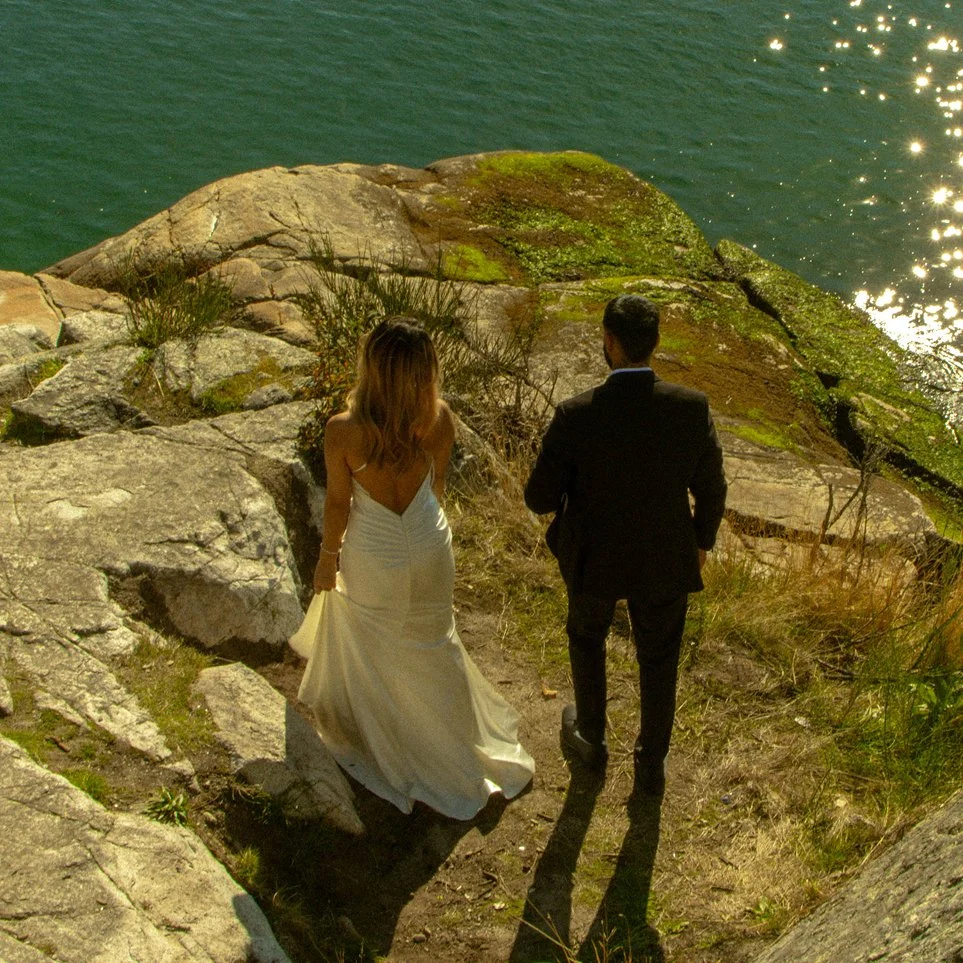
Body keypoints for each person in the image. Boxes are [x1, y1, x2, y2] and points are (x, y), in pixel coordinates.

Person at [293, 318, 535, 819]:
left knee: (378, 646)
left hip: (375, 551)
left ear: (372, 368)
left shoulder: (344, 431)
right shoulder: (439, 418)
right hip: (428, 541)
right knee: (434, 641)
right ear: (426, 372)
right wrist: (424, 536)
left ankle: (397, 744)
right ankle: (458, 746)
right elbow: (437, 487)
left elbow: (339, 505)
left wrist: (326, 559)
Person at [524, 294, 727, 797]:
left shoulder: (575, 415)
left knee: (587, 638)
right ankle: (651, 761)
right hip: (665, 554)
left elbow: (538, 497)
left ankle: (591, 737)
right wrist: (701, 540)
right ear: (654, 342)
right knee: (659, 655)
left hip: (593, 555)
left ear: (610, 343)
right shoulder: (691, 408)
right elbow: (713, 487)